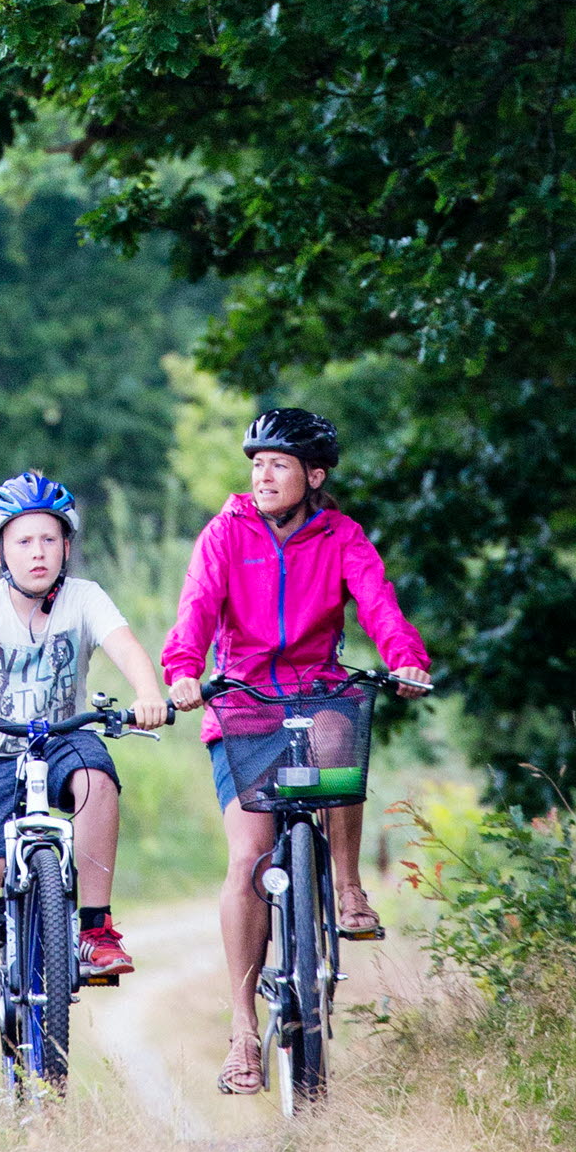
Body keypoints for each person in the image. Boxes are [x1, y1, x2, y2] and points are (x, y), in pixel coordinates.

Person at [162, 408, 433, 1096]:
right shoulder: (225, 533)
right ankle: (242, 1033)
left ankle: (345, 887)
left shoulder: (340, 536)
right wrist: (183, 671)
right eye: (255, 463)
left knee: (341, 728)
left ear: (313, 476)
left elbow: (378, 605)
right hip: (243, 701)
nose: (262, 474)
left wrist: (403, 659)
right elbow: (194, 608)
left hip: (316, 689)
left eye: (277, 463)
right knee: (249, 854)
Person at [0, 472, 170, 1078]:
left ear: (67, 547)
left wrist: (148, 691)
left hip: (62, 737)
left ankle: (95, 929)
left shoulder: (86, 597)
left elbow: (124, 646)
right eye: (24, 542)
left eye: (50, 539)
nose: (39, 552)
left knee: (99, 781)